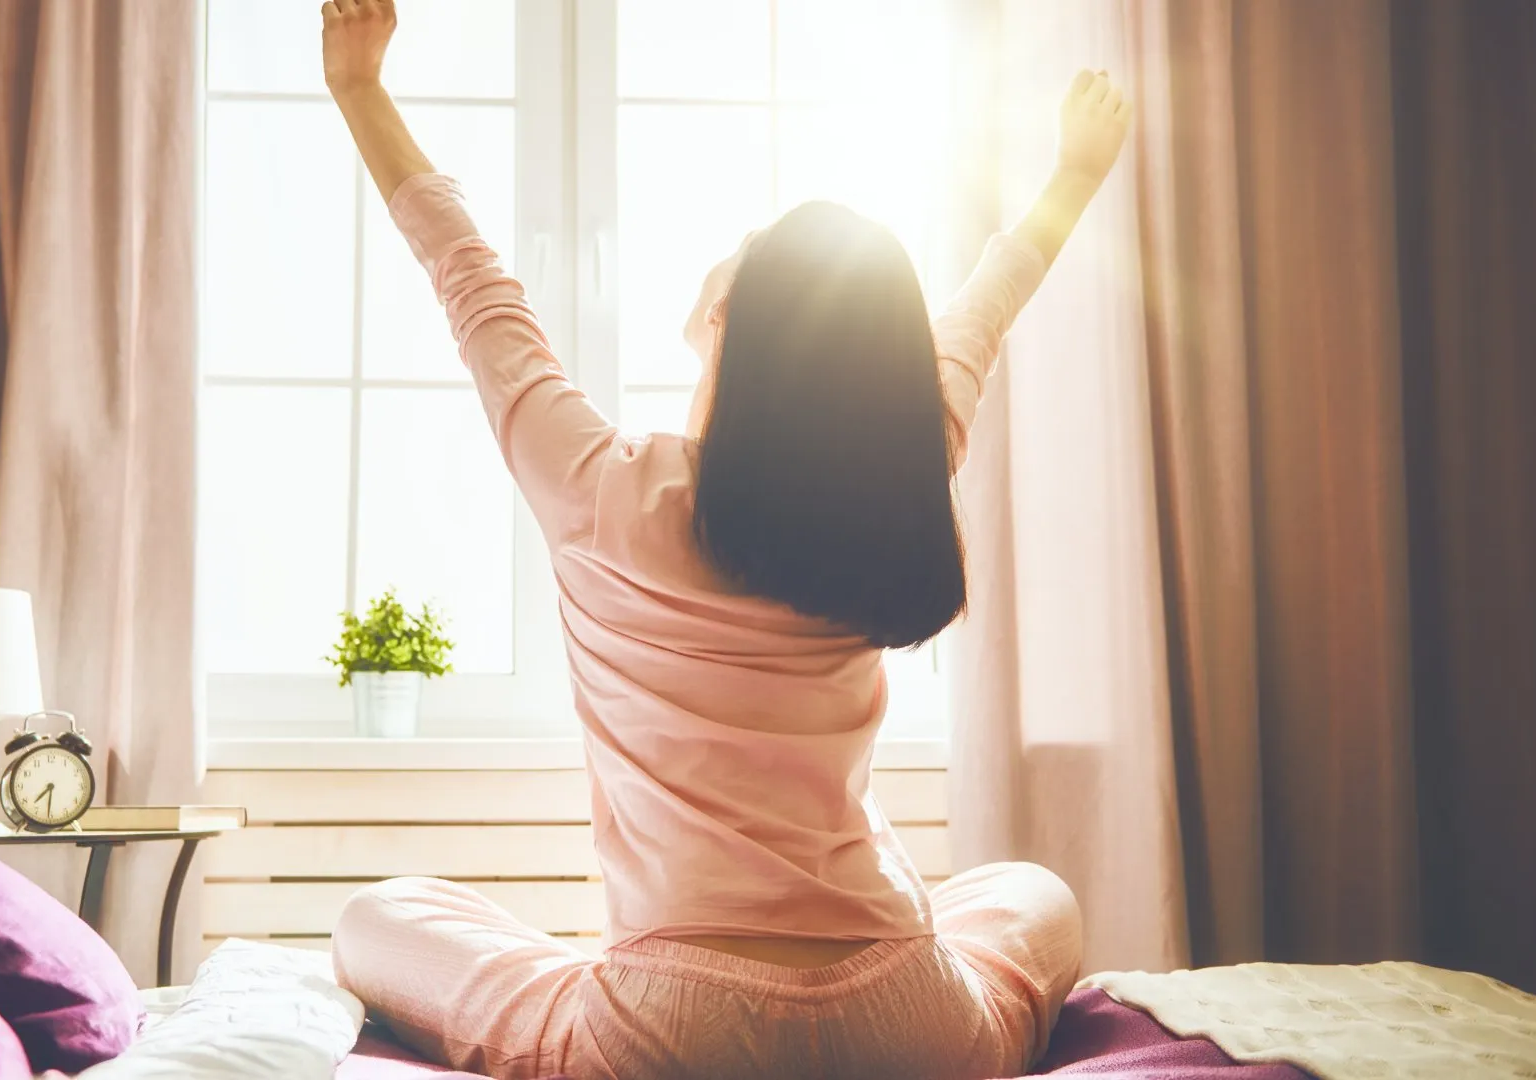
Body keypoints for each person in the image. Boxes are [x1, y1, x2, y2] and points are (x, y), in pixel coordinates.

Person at [317, 2, 1131, 1077]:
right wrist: (1073, 176)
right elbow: (986, 305)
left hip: (670, 1027)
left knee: (377, 919)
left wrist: (361, 90)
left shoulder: (598, 486)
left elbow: (471, 276)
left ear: (726, 316)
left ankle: (577, 991)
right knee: (1035, 897)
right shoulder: (892, 480)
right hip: (908, 1016)